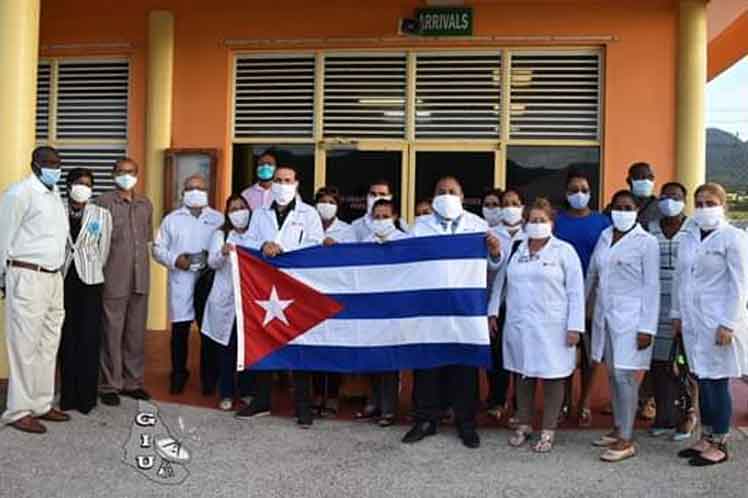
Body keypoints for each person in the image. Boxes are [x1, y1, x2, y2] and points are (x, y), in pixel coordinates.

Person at [401, 176, 502, 449]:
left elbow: (492, 269)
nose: (446, 195)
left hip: (463, 308)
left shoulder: (478, 226)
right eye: (441, 191)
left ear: (462, 195)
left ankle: (465, 423)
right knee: (427, 366)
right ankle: (425, 420)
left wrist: (494, 252)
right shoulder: (419, 227)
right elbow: (404, 265)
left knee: (464, 368)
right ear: (433, 197)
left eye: (452, 191)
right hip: (429, 308)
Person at [492, 198, 585, 452]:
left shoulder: (564, 251)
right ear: (525, 223)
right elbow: (502, 283)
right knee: (523, 375)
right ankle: (524, 423)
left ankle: (548, 429)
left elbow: (576, 292)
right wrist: (492, 312)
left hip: (553, 326)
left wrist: (575, 327)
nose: (537, 224)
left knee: (553, 377)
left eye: (542, 220)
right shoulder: (517, 249)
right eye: (532, 220)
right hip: (520, 324)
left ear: (551, 224)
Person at [238, 165, 324, 427]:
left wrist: (283, 248)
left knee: (299, 345)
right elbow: (248, 241)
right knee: (265, 342)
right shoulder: (260, 213)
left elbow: (316, 245)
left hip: (296, 288)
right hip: (266, 288)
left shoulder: (308, 214)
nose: (282, 184)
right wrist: (263, 245)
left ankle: (303, 407)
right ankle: (262, 400)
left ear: (296, 184)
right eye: (278, 180)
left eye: (288, 180)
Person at [671, 183, 748, 466]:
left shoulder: (734, 237)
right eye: (699, 203)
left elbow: (741, 286)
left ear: (723, 205)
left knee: (717, 381)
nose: (704, 208)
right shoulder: (689, 236)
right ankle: (705, 435)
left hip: (718, 323)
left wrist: (728, 323)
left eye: (710, 202)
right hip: (692, 321)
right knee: (701, 379)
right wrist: (676, 314)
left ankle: (721, 441)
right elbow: (681, 278)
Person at [0, 146, 69, 433]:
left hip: (53, 278)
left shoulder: (54, 196)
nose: (55, 167)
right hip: (26, 275)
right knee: (24, 345)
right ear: (35, 164)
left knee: (48, 342)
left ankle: (41, 403)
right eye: (49, 163)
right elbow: (3, 236)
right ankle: (18, 410)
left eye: (58, 163)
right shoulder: (19, 194)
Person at [587, 189, 659, 462]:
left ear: (637, 211)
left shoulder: (646, 242)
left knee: (624, 377)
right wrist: (580, 305)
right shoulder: (605, 236)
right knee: (613, 374)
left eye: (628, 207)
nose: (623, 211)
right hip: (606, 317)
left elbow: (652, 287)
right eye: (618, 207)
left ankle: (627, 439)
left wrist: (647, 328)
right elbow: (593, 272)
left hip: (632, 320)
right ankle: (618, 428)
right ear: (610, 209)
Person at [153, 175, 224, 395]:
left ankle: (209, 378)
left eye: (200, 188)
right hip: (181, 280)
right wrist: (175, 260)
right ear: (182, 192)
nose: (195, 191)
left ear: (207, 191)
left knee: (208, 331)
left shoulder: (218, 219)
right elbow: (157, 249)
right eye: (190, 188)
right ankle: (178, 374)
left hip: (209, 281)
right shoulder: (171, 219)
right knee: (180, 332)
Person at [553, 169, 611, 427]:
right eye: (574, 190)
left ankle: (584, 402)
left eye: (584, 190)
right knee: (564, 348)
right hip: (560, 294)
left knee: (590, 352)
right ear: (566, 194)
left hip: (593, 295)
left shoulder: (602, 223)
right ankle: (565, 400)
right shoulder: (557, 221)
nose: (579, 194)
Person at [96, 158, 154, 406]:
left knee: (135, 334)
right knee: (111, 333)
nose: (125, 176)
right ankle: (109, 384)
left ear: (138, 174)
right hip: (113, 278)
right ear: (112, 174)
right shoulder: (102, 204)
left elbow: (147, 239)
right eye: (120, 171)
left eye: (130, 172)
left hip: (140, 279)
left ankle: (133, 382)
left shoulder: (145, 204)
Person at [59, 168, 112, 414]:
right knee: (66, 337)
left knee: (89, 338)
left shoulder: (101, 214)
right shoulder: (56, 209)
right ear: (68, 185)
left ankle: (86, 398)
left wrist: (90, 269)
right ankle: (68, 396)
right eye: (79, 182)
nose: (83, 187)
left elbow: (104, 250)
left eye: (88, 184)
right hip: (61, 278)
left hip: (90, 281)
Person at [647, 182, 698, 440]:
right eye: (665, 196)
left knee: (685, 363)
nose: (670, 201)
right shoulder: (651, 228)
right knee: (660, 364)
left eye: (676, 197)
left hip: (685, 304)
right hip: (656, 304)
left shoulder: (694, 229)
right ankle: (665, 416)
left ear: (684, 199)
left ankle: (689, 414)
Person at [358, 198, 410, 427]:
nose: (380, 221)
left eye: (385, 217)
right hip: (371, 306)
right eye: (376, 217)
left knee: (390, 359)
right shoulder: (365, 243)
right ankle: (374, 401)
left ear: (395, 217)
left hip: (395, 307)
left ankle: (388, 408)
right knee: (371, 356)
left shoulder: (405, 242)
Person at [202, 194, 254, 411]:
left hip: (249, 300)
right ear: (227, 213)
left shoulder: (255, 234)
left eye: (242, 207)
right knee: (227, 348)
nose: (238, 212)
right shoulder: (220, 235)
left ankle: (246, 391)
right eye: (233, 209)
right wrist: (222, 253)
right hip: (225, 301)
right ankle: (226, 393)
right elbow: (212, 263)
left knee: (247, 348)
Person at [485, 188, 526, 425]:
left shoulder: (532, 233)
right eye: (506, 203)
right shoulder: (491, 234)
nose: (511, 207)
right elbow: (496, 274)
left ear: (522, 206)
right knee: (497, 356)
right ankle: (497, 400)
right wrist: (492, 312)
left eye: (515, 202)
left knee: (521, 357)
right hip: (498, 303)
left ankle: (521, 404)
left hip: (524, 306)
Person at [313, 186, 354, 415]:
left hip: (338, 294)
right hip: (312, 294)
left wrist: (337, 250)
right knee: (317, 344)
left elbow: (353, 259)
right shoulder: (306, 226)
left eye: (331, 201)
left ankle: (332, 396)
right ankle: (318, 393)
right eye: (322, 201)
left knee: (334, 345)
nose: (326, 205)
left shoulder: (347, 231)